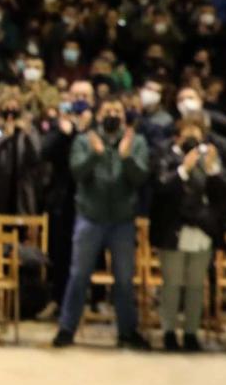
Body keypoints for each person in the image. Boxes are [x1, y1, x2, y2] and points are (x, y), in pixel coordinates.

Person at [53, 98, 152, 349]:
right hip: (90, 217)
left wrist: (127, 157)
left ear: (124, 115)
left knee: (123, 279)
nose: (112, 114)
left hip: (122, 221)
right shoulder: (84, 140)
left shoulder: (136, 142)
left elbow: (140, 178)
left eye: (117, 110)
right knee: (78, 276)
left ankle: (127, 332)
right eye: (107, 110)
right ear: (99, 115)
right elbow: (77, 173)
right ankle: (66, 328)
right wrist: (95, 155)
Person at [149, 117, 226, 352]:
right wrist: (183, 168)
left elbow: (222, 197)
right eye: (187, 132)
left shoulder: (211, 159)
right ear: (177, 135)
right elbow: (161, 189)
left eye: (197, 132)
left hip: (202, 230)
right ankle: (169, 332)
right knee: (172, 284)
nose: (192, 136)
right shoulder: (165, 156)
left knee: (195, 285)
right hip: (172, 230)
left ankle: (192, 333)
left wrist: (213, 171)